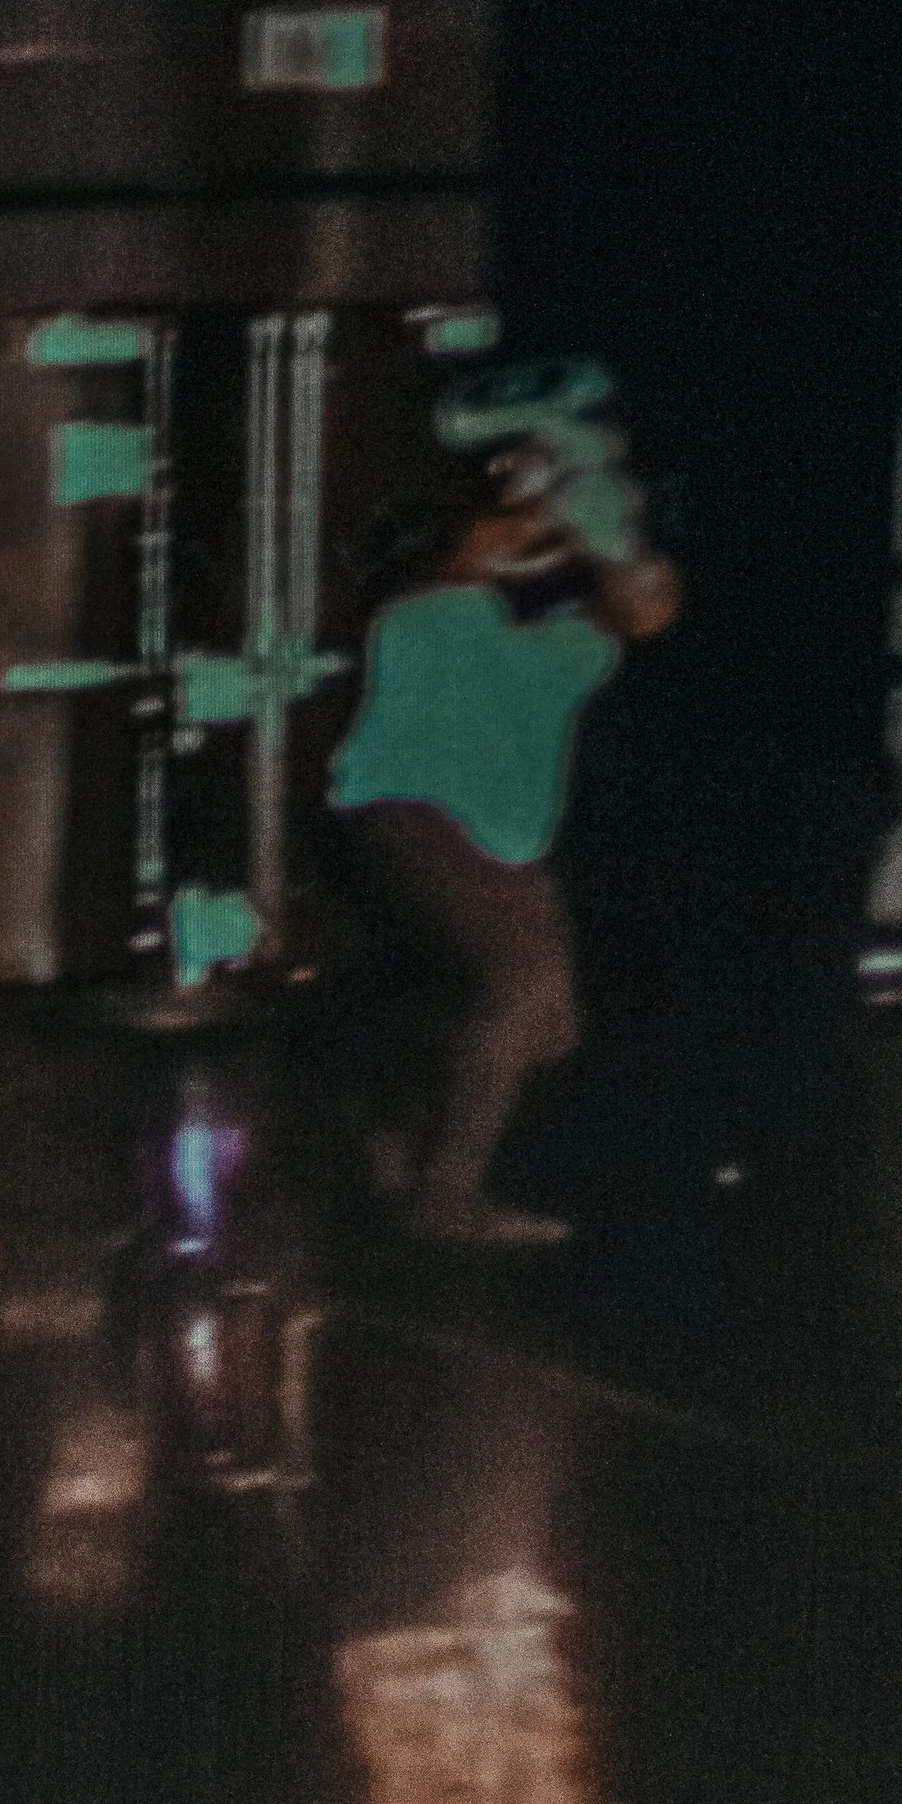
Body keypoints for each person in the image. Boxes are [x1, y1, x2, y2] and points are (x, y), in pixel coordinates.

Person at [327, 358, 681, 1248]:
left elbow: (644, 610)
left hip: (501, 836)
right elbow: (458, 561)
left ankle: (390, 1128)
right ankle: (442, 1196)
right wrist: (539, 504)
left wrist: (601, 533)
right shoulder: (423, 610)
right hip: (412, 814)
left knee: (549, 1024)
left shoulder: (555, 641)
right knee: (520, 992)